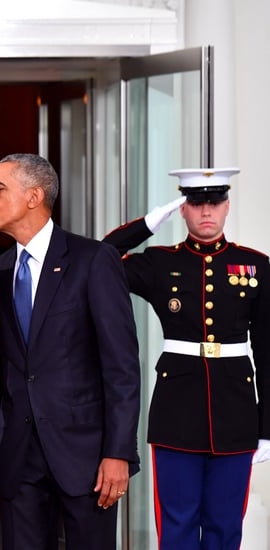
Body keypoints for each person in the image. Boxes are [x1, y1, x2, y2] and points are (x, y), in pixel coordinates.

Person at [103, 167, 270, 550]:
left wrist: (267, 425)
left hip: (237, 414)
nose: (206, 211)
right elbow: (101, 259)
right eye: (196, 203)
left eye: (214, 202)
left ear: (227, 206)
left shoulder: (256, 265)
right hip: (176, 412)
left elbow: (267, 349)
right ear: (183, 210)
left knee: (225, 526)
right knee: (177, 524)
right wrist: (147, 224)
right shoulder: (159, 263)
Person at [0, 153, 141, 550]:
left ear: (34, 197)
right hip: (18, 460)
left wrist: (118, 452)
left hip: (87, 459)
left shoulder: (92, 260)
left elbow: (121, 367)